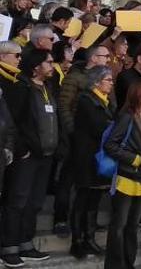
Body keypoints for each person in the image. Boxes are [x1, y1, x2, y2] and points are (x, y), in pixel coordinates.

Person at [1, 49, 58, 266]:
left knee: (34, 202)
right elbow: (14, 122)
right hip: (27, 155)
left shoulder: (48, 88)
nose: (52, 66)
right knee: (17, 201)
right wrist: (22, 148)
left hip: (46, 154)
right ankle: (9, 247)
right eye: (49, 62)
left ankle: (26, 243)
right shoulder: (22, 87)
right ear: (36, 67)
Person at [103, 80, 141, 269]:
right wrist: (133, 159)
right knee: (119, 224)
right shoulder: (127, 116)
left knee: (133, 225)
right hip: (126, 176)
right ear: (140, 93)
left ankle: (128, 262)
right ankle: (115, 265)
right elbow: (110, 145)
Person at [69, 66, 116, 259]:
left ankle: (89, 238)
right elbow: (98, 126)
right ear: (96, 82)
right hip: (86, 156)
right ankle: (77, 241)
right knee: (83, 198)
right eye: (108, 80)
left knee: (94, 199)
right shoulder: (86, 100)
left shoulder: (106, 101)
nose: (111, 83)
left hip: (99, 156)